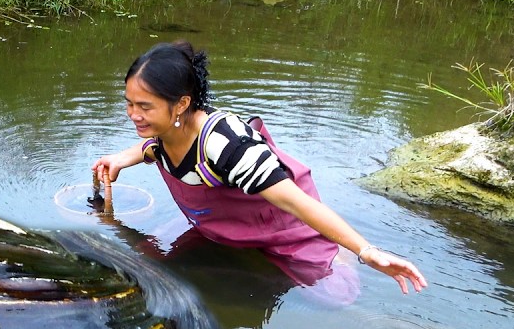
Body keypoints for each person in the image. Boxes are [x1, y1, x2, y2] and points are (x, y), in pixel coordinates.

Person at [92, 40, 427, 295]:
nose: (134, 115)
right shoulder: (163, 129)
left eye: (144, 106)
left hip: (281, 227)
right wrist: (121, 159)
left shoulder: (227, 145)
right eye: (130, 103)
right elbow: (154, 147)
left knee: (334, 298)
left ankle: (338, 252)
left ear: (181, 104)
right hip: (220, 225)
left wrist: (367, 251)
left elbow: (295, 201)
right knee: (151, 259)